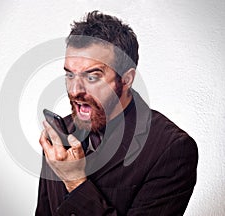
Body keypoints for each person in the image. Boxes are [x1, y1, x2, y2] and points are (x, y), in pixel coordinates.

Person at [36, 10, 198, 216]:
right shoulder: (60, 134)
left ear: (126, 79)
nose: (75, 90)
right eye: (70, 74)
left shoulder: (172, 149)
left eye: (92, 77)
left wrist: (76, 182)